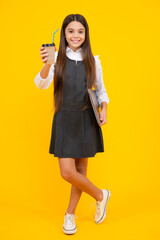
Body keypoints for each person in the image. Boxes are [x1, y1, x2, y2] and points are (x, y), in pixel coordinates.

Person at [34, 14, 111, 235]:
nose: (75, 35)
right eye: (70, 31)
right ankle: (100, 195)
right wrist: (47, 65)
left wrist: (104, 108)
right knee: (67, 172)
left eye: (80, 31)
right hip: (65, 119)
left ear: (85, 35)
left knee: (80, 172)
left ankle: (70, 216)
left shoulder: (93, 61)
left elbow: (101, 90)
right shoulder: (55, 57)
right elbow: (40, 84)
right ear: (64, 34)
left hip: (86, 118)